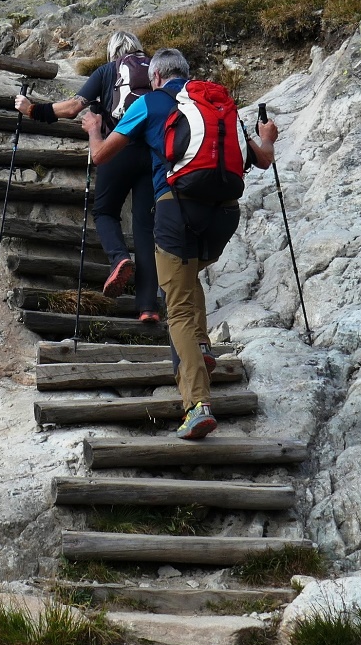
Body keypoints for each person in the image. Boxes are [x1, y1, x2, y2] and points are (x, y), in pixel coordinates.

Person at [84, 48, 278, 440]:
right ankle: (202, 348)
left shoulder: (150, 103)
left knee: (179, 309)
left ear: (155, 77)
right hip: (224, 214)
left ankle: (197, 406)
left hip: (176, 210)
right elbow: (262, 159)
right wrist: (268, 137)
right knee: (189, 275)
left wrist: (92, 127)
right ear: (186, 74)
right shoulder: (217, 101)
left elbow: (102, 156)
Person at [16, 32, 160, 320]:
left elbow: (72, 108)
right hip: (154, 153)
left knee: (105, 211)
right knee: (145, 230)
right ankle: (148, 308)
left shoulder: (108, 71)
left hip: (116, 147)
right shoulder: (157, 69)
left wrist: (32, 109)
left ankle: (119, 258)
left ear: (113, 51)